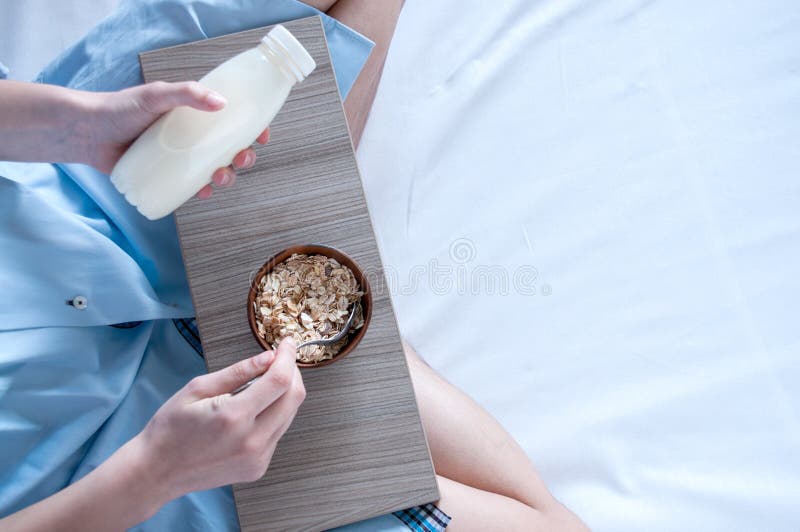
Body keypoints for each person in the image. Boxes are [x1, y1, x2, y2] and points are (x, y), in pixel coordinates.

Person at [0, 1, 587, 530]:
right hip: (114, 480)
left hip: (84, 201)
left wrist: (77, 123)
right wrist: (157, 472)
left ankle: (350, 322)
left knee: (283, 62)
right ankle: (356, 334)